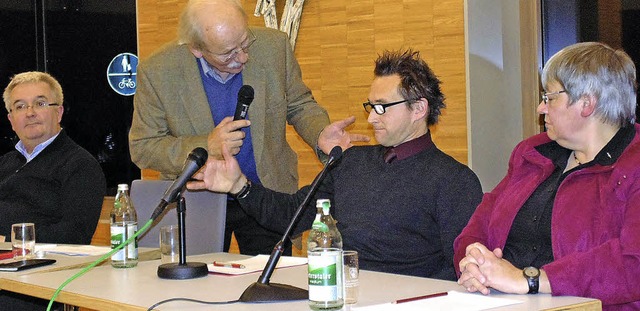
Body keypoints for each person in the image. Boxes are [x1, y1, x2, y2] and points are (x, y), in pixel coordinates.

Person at [188, 49, 483, 280]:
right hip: (338, 291)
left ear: (418, 109)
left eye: (382, 107)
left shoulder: (454, 181)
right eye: (370, 106)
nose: (370, 118)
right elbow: (291, 214)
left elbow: (458, 269)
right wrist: (239, 185)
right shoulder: (351, 162)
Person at [129, 0, 365, 256]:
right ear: (196, 48)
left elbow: (299, 104)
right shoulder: (158, 72)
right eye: (228, 53)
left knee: (274, 285)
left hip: (267, 197)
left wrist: (320, 133)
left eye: (244, 42)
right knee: (197, 287)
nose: (243, 57)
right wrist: (206, 146)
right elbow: (143, 146)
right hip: (198, 201)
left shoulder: (274, 47)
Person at [454, 42, 640, 309]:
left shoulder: (633, 165)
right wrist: (473, 262)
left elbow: (632, 263)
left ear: (586, 103)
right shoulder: (531, 154)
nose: (541, 108)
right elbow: (477, 228)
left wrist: (530, 280)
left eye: (549, 98)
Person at [1, 72, 106, 309]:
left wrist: (10, 242)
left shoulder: (80, 165)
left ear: (58, 112)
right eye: (20, 106)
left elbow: (74, 235)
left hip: (38, 281)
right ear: (11, 119)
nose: (30, 112)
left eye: (39, 103)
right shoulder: (5, 163)